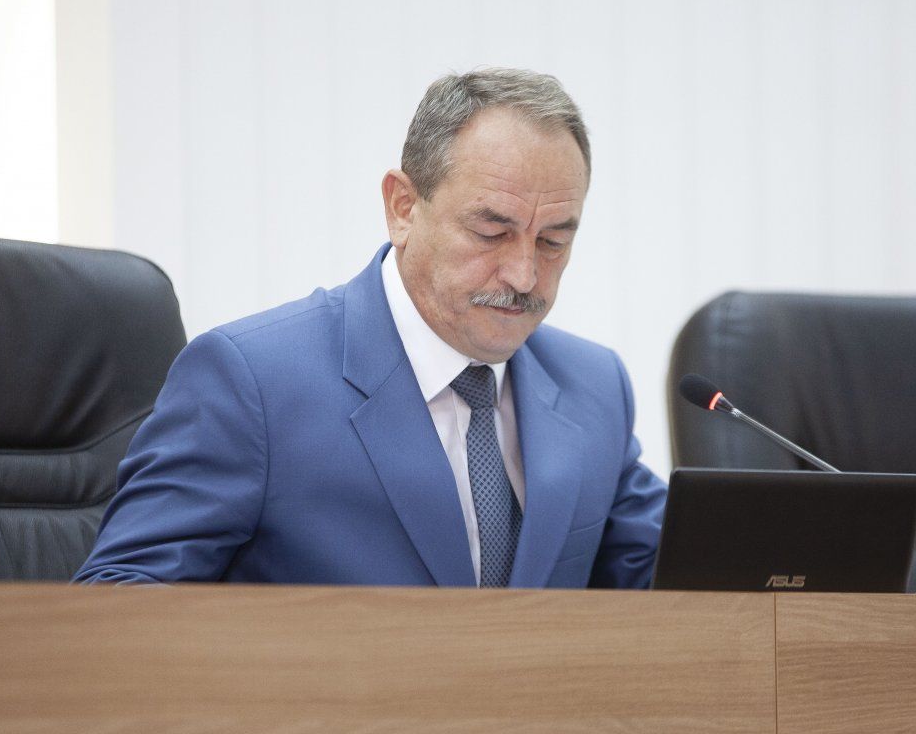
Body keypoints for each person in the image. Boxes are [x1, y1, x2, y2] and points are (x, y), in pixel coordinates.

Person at [75, 68, 666, 588]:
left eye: (553, 241)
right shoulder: (250, 382)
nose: (524, 274)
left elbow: (673, 582)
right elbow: (119, 597)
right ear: (403, 208)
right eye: (492, 233)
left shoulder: (593, 385)